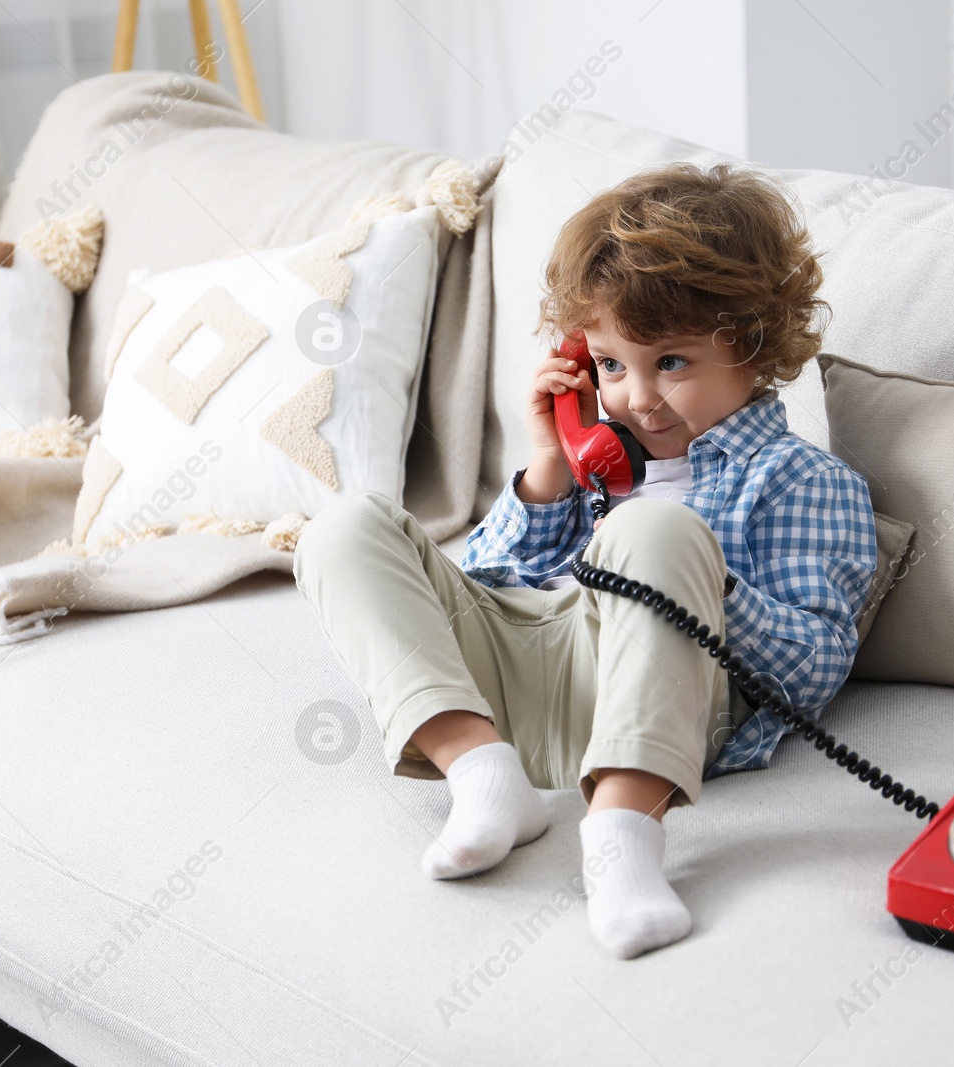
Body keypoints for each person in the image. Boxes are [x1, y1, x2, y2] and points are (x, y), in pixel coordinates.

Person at [292, 161, 877, 959]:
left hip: (669, 700)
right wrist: (550, 467)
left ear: (752, 343)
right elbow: (487, 582)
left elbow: (812, 670)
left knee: (654, 535)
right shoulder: (596, 462)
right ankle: (482, 773)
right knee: (342, 526)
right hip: (528, 690)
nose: (635, 396)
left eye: (670, 361)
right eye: (609, 365)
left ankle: (622, 836)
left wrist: (701, 579)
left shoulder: (806, 480)